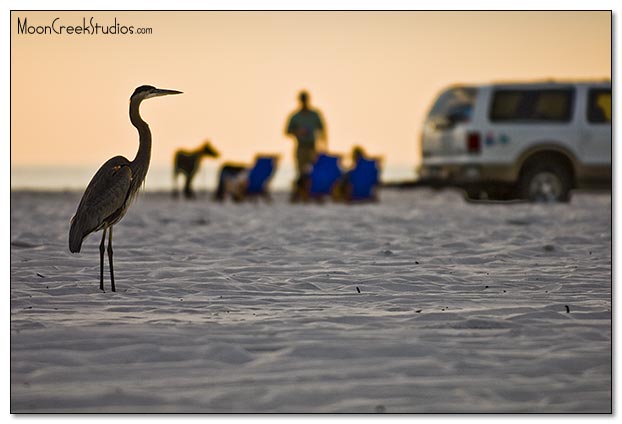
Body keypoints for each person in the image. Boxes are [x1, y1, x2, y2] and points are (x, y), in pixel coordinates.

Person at [285, 90, 327, 201]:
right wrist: (298, 131)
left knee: (314, 171)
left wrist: (324, 146)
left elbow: (322, 130)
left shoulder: (315, 115)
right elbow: (287, 131)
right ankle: (299, 193)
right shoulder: (295, 116)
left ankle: (313, 193)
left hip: (312, 146)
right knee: (300, 171)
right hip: (301, 146)